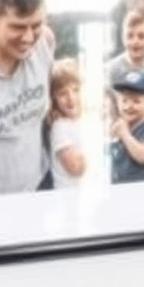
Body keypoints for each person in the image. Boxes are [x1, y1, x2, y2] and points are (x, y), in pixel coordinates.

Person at [0, 0, 55, 195]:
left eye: (36, 25)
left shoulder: (45, 41)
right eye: (17, 27)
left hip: (40, 184)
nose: (28, 38)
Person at [105, 9, 144, 122]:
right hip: (122, 126)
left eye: (141, 36)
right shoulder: (114, 67)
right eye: (129, 36)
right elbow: (110, 101)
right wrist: (114, 126)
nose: (135, 41)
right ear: (122, 36)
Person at [108, 69, 144, 183]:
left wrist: (125, 135)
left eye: (136, 101)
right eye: (124, 100)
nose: (128, 106)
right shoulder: (120, 126)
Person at [47, 59, 88, 189]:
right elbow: (76, 169)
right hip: (68, 196)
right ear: (54, 99)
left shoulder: (76, 121)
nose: (71, 98)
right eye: (62, 94)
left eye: (76, 90)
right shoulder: (60, 127)